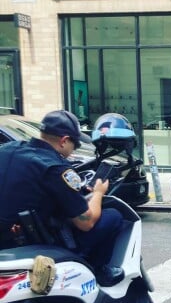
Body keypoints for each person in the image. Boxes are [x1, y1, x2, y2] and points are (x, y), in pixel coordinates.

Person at [0, 109, 122, 275]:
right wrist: (99, 192)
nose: (73, 150)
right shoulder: (56, 169)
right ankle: (96, 272)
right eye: (75, 145)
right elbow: (85, 222)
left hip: (7, 239)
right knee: (114, 216)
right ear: (64, 141)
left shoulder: (7, 150)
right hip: (36, 243)